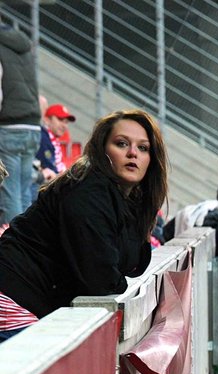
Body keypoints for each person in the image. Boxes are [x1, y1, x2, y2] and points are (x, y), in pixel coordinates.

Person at [0, 109, 167, 341]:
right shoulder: (87, 191)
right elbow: (101, 281)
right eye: (121, 144)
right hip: (11, 299)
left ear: (152, 158)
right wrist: (114, 272)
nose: (132, 154)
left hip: (34, 304)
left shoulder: (130, 202)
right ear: (102, 150)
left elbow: (132, 265)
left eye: (143, 148)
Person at [0, 16, 41, 224]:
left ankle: (12, 249)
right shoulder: (21, 44)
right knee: (24, 192)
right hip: (32, 125)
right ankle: (26, 246)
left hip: (8, 127)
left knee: (9, 194)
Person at [42, 103, 75, 174]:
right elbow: (50, 169)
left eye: (66, 122)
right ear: (47, 120)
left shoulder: (53, 139)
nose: (64, 125)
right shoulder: (42, 138)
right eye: (60, 119)